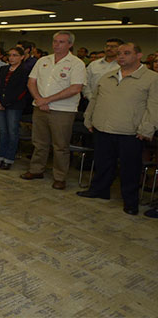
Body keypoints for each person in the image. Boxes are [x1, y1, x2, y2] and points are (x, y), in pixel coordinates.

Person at [77, 43, 157, 215]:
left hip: (130, 132)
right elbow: (95, 100)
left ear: (139, 56)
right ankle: (100, 190)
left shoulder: (151, 78)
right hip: (103, 128)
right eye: (119, 53)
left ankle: (130, 201)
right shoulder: (108, 76)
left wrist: (147, 128)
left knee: (130, 169)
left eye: (126, 53)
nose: (121, 56)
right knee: (103, 163)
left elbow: (154, 106)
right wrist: (89, 119)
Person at [21, 31, 86, 190]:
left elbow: (75, 88)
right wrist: (39, 99)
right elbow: (31, 82)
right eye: (55, 41)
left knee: (60, 145)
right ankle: (36, 170)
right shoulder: (43, 60)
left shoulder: (76, 63)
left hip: (63, 110)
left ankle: (60, 177)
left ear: (70, 44)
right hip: (40, 107)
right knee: (39, 142)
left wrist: (47, 100)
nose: (57, 44)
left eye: (61, 42)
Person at [0, 47, 30, 170]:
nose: (11, 58)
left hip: (14, 105)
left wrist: (5, 102)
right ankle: (0, 156)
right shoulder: (3, 69)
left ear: (22, 57)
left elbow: (21, 90)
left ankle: (9, 158)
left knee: (12, 132)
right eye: (10, 55)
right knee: (3, 131)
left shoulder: (24, 71)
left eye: (15, 55)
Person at [83, 38, 123, 102]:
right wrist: (90, 97)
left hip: (117, 101)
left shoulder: (124, 65)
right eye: (107, 46)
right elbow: (85, 82)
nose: (109, 49)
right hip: (93, 100)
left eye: (113, 47)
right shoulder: (93, 65)